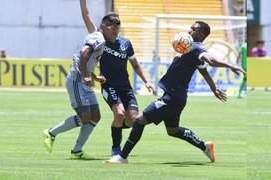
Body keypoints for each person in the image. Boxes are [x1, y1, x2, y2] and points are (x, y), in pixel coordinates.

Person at [104, 21, 246, 164]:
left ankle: (122, 157)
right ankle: (205, 147)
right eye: (190, 28)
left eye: (193, 29)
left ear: (202, 34)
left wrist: (230, 65)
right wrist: (213, 88)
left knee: (139, 121)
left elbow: (209, 60)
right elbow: (203, 70)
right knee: (173, 130)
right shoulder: (190, 49)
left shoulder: (197, 48)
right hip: (176, 97)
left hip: (172, 97)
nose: (189, 30)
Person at [80, 0, 156, 157]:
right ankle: (116, 147)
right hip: (109, 85)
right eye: (112, 28)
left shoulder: (126, 43)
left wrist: (146, 81)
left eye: (117, 28)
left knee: (132, 120)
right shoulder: (100, 38)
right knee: (119, 114)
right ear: (105, 27)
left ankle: (116, 129)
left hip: (125, 87)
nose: (115, 31)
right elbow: (86, 17)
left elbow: (135, 64)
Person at [42, 12, 120, 159]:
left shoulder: (99, 37)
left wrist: (94, 76)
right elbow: (84, 53)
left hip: (84, 82)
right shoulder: (99, 38)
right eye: (114, 31)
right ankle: (51, 132)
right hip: (77, 82)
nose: (116, 35)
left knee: (95, 116)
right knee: (85, 117)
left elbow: (87, 59)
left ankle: (77, 151)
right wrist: (84, 75)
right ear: (106, 26)